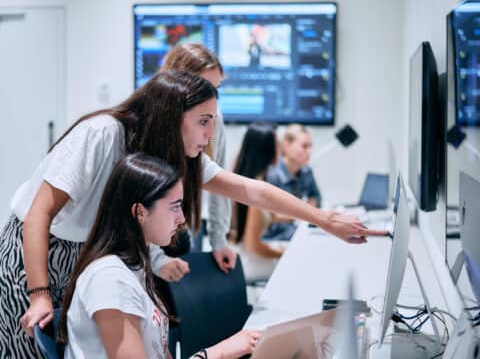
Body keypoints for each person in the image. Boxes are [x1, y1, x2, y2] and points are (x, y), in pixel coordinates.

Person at [1, 70, 385, 357]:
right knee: (29, 347)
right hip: (34, 247)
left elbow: (248, 188)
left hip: (83, 252)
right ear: (172, 116)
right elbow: (39, 215)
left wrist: (324, 219)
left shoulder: (162, 155)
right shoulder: (104, 134)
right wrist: (39, 294)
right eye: (204, 121)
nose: (210, 133)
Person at [58, 153, 261, 359]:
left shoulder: (134, 268)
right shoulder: (110, 279)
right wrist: (218, 353)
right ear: (140, 212)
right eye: (175, 207)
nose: (181, 219)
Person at [153, 43, 235, 283]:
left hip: (185, 226)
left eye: (216, 90)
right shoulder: (151, 121)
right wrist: (156, 258)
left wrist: (219, 240)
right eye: (205, 88)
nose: (212, 99)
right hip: (144, 239)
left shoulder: (214, 120)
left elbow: (224, 183)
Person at [229, 123, 286, 283]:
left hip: (238, 256)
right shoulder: (256, 192)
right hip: (247, 263)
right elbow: (253, 245)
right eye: (278, 145)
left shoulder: (243, 179)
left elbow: (258, 219)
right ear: (267, 150)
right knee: (296, 262)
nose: (281, 150)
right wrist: (282, 253)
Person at [263, 124, 322, 242]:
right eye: (304, 146)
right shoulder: (271, 174)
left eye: (311, 147)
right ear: (286, 145)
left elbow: (316, 197)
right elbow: (268, 216)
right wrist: (305, 212)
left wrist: (306, 210)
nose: (309, 152)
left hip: (295, 233)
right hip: (273, 239)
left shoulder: (306, 171)